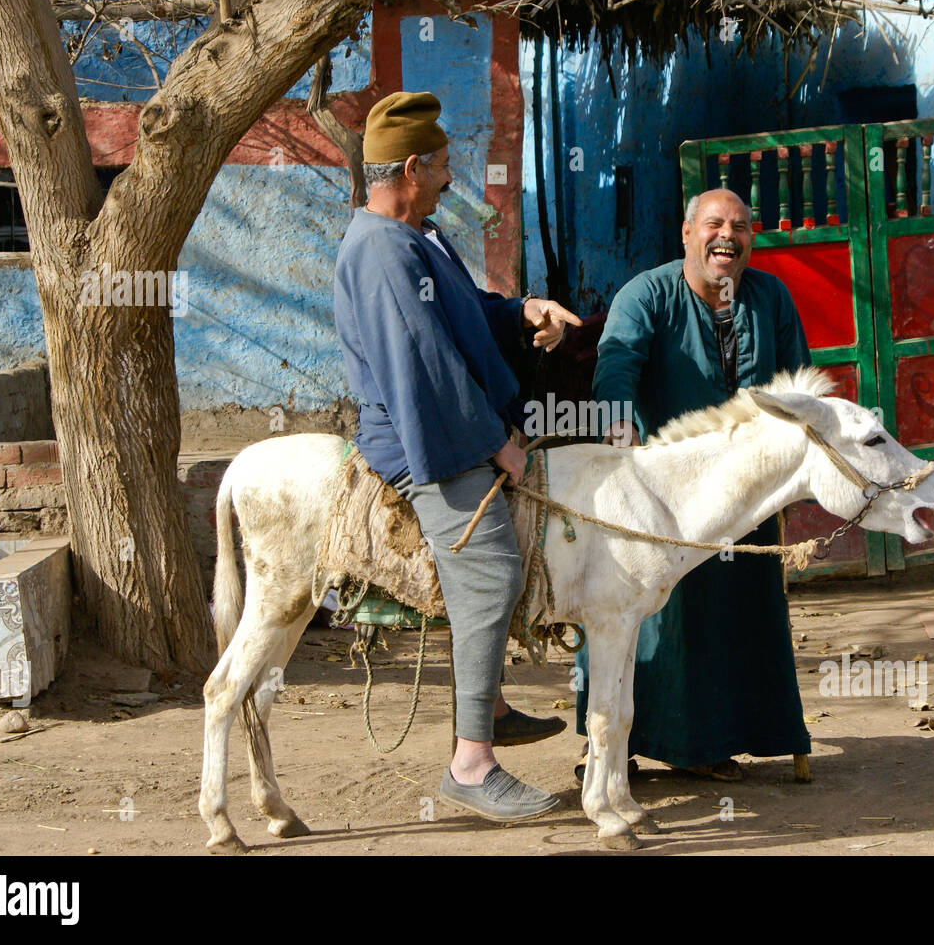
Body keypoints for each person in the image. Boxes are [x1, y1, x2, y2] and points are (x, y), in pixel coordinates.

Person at [333, 91, 582, 820]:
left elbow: (462, 314)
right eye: (442, 166)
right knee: (492, 574)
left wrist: (521, 309)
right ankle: (471, 766)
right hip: (424, 437)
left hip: (447, 420)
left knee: (503, 567)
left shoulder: (419, 235)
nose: (450, 178)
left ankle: (493, 705)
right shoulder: (380, 249)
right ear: (412, 167)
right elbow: (424, 366)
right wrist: (496, 444)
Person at [578, 188, 812, 781]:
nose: (726, 236)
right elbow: (617, 364)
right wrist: (616, 421)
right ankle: (613, 746)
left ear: (751, 240)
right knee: (649, 618)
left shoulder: (771, 297)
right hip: (664, 499)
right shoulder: (646, 294)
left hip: (746, 497)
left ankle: (711, 742)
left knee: (736, 613)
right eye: (713, 224)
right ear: (687, 234)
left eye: (739, 226)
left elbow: (798, 385)